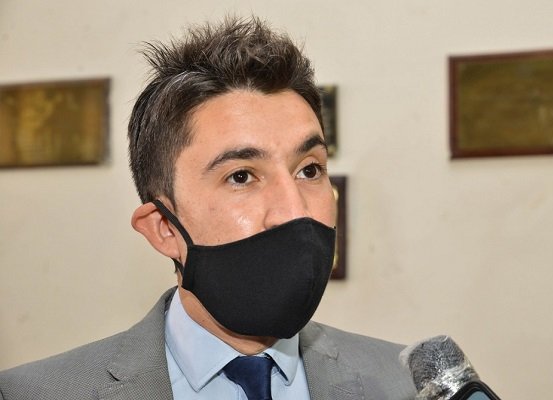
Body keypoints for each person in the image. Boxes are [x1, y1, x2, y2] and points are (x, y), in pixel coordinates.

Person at [0, 17, 416, 399]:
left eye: (309, 170)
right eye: (241, 176)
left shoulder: (408, 385)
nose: (294, 210)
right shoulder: (29, 393)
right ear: (164, 228)